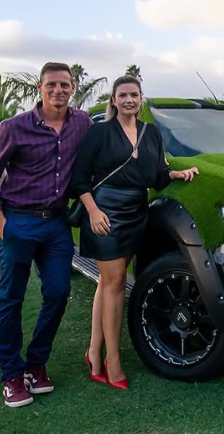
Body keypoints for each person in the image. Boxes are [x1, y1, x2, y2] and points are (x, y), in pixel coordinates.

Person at [70, 76, 199, 390]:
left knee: (108, 283)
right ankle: (113, 359)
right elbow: (78, 178)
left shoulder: (150, 133)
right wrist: (94, 211)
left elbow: (155, 176)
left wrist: (175, 173)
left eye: (134, 94)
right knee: (114, 283)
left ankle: (93, 351)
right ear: (113, 100)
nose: (129, 99)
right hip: (105, 212)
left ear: (141, 99)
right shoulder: (99, 131)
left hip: (135, 211)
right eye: (123, 95)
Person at [0, 62, 93, 408]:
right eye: (52, 84)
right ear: (40, 89)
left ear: (73, 88)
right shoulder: (13, 128)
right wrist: (0, 222)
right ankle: (12, 375)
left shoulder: (83, 124)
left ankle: (36, 364)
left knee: (58, 292)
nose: (59, 90)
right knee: (11, 298)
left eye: (65, 84)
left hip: (56, 224)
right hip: (17, 221)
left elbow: (113, 147)